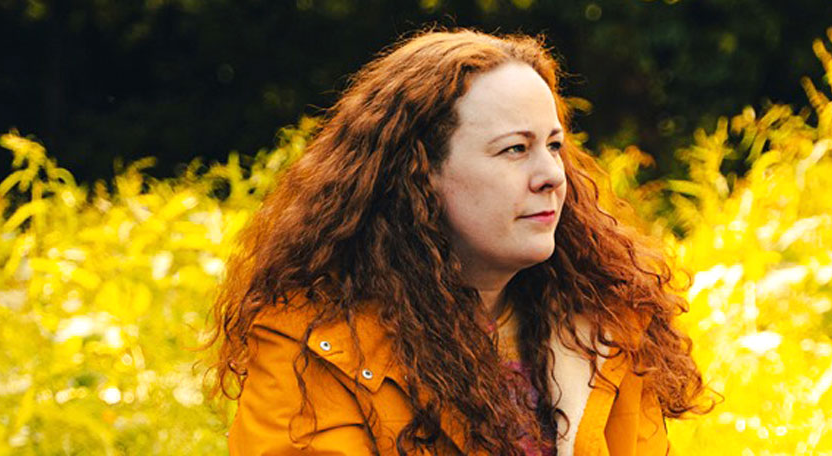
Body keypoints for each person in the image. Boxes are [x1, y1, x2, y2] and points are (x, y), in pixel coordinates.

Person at [213, 29, 711, 455]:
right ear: (420, 173)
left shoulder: (607, 327)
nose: (552, 176)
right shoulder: (315, 345)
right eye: (515, 149)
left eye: (554, 146)